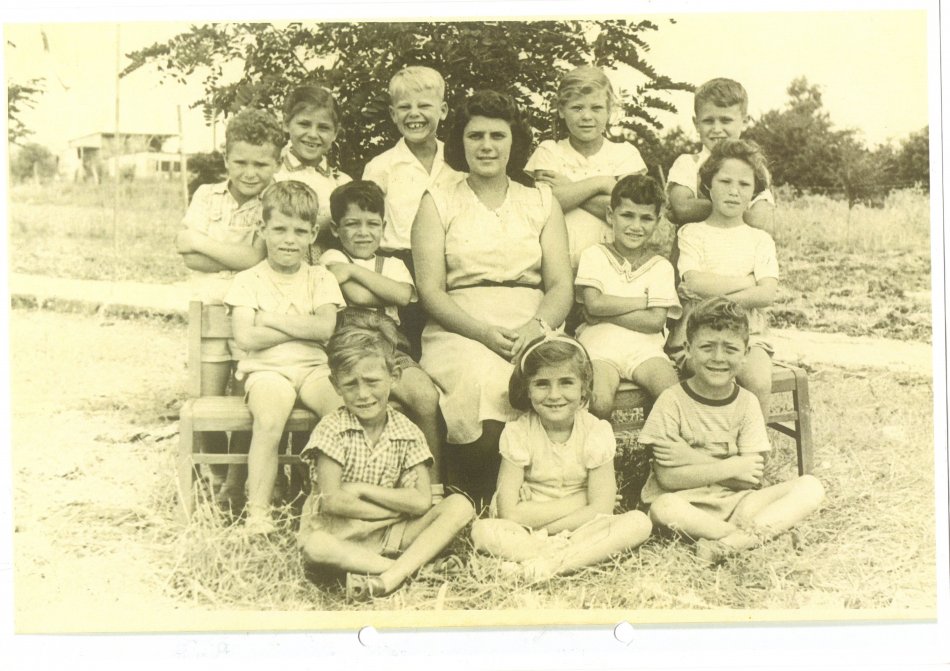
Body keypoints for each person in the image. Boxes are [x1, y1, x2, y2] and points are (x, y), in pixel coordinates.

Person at [412, 89, 573, 506]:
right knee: (481, 379)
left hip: (532, 319)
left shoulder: (540, 201)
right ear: (460, 143)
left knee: (544, 375)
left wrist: (536, 328)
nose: (486, 146)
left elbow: (560, 285)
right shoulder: (438, 201)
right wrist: (483, 333)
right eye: (475, 135)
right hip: (460, 325)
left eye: (497, 135)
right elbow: (430, 290)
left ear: (514, 142)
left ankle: (543, 495)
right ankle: (478, 499)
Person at [641, 297, 824, 565]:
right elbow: (668, 478)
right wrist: (734, 466)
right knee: (663, 508)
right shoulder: (672, 400)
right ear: (688, 349)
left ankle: (726, 545)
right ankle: (746, 539)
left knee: (811, 486)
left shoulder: (747, 402)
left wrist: (690, 458)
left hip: (738, 503)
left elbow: (750, 479)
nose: (718, 358)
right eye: (707, 347)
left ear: (746, 353)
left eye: (730, 348)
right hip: (685, 506)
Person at [297, 325, 475, 602]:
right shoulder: (331, 429)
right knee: (315, 545)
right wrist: (393, 510)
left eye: (372, 381)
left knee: (460, 506)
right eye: (350, 384)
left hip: (393, 536)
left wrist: (362, 489)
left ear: (394, 377)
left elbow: (420, 502)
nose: (363, 394)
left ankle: (387, 576)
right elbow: (333, 502)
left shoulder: (407, 432)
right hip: (340, 535)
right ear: (335, 385)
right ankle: (411, 571)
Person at [470, 335, 652, 581]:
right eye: (542, 384)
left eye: (566, 382)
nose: (554, 395)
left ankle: (548, 564)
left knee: (639, 523)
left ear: (583, 387)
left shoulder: (595, 431)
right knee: (483, 531)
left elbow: (601, 509)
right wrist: (582, 499)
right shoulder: (518, 433)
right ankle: (566, 559)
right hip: (525, 533)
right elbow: (509, 514)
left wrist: (541, 523)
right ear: (527, 389)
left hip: (580, 530)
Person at [174, 108, 284, 508]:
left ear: (277, 162)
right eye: (240, 162)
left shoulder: (274, 202)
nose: (250, 173)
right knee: (206, 399)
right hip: (207, 316)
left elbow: (255, 257)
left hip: (249, 317)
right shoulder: (207, 195)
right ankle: (215, 473)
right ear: (225, 159)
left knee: (245, 401)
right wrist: (231, 255)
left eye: (261, 164)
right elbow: (187, 256)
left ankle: (235, 483)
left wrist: (202, 243)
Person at [224, 181, 345, 533]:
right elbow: (246, 336)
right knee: (269, 420)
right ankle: (259, 513)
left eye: (299, 231)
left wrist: (270, 320)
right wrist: (302, 326)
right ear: (262, 229)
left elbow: (325, 328)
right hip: (267, 371)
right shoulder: (248, 280)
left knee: (341, 413)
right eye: (279, 229)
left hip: (313, 369)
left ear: (312, 235)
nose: (289, 240)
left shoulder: (320, 277)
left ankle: (333, 505)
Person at [319, 180, 445, 483]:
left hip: (391, 351)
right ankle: (351, 480)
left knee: (426, 397)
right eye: (353, 224)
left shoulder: (393, 263)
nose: (363, 232)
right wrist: (381, 288)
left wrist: (353, 272)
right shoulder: (332, 258)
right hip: (348, 353)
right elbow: (359, 297)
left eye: (372, 224)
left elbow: (402, 295)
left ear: (383, 227)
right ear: (335, 229)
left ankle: (431, 483)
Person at [667, 138, 778, 418]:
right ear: (708, 185)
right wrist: (747, 282)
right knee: (706, 376)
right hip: (697, 331)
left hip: (748, 333)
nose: (733, 191)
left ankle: (753, 443)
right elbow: (694, 282)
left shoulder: (760, 239)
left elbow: (766, 294)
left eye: (744, 185)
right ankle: (704, 441)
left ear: (754, 192)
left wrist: (716, 294)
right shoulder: (692, 233)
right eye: (725, 181)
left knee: (758, 380)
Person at [362, 66, 463, 359]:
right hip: (401, 267)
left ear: (443, 110)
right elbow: (368, 223)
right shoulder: (381, 167)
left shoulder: (458, 162)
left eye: (424, 106)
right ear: (393, 114)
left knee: (450, 344)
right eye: (405, 107)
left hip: (451, 266)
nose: (414, 114)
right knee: (409, 348)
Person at [575, 174, 681, 419]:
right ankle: (601, 444)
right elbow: (594, 304)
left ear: (657, 221)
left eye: (646, 218)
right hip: (599, 346)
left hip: (646, 349)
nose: (636, 226)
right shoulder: (594, 255)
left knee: (672, 397)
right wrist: (642, 302)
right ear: (610, 215)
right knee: (599, 402)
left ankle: (658, 444)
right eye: (627, 215)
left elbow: (654, 321)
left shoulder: (660, 266)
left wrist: (603, 312)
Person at [525, 65, 647, 269]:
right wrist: (602, 183)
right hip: (558, 267)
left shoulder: (626, 154)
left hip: (613, 267)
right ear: (561, 110)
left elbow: (630, 212)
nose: (587, 116)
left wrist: (568, 189)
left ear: (609, 111)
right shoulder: (549, 151)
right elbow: (546, 206)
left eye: (596, 108)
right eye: (577, 108)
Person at [666, 77, 774, 233]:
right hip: (694, 245)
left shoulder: (754, 166)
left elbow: (758, 220)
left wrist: (702, 207)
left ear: (744, 121)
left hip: (739, 246)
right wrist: (739, 208)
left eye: (725, 120)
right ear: (696, 124)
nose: (716, 129)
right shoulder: (687, 164)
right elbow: (683, 208)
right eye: (708, 121)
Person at [274, 84, 352, 255]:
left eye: (323, 128)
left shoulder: (342, 183)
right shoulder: (273, 176)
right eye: (304, 124)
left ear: (335, 133)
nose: (313, 134)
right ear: (286, 124)